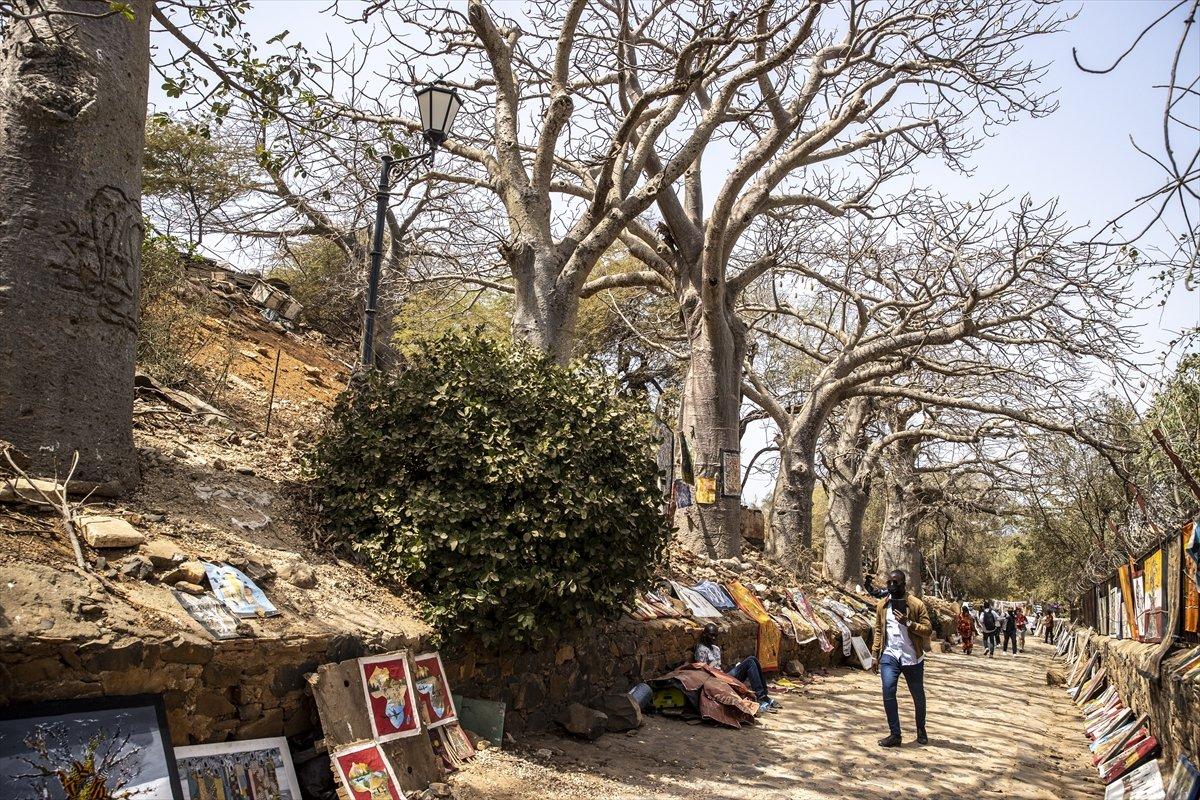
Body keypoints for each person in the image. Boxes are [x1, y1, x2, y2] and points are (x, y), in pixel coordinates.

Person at [871, 570, 932, 747]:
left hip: (912, 657)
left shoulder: (916, 605)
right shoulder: (882, 605)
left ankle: (921, 729)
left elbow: (928, 629)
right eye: (888, 582)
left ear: (904, 584)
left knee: (917, 695)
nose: (891, 586)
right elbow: (878, 630)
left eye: (895, 583)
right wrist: (875, 655)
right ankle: (895, 734)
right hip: (890, 655)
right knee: (888, 690)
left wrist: (909, 623)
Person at [693, 623, 783, 713]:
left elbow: (719, 666)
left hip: (724, 675)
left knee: (753, 659)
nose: (713, 638)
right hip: (716, 680)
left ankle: (764, 696)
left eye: (715, 636)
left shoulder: (716, 648)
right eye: (711, 635)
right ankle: (761, 697)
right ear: (705, 634)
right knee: (750, 662)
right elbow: (703, 670)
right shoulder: (701, 649)